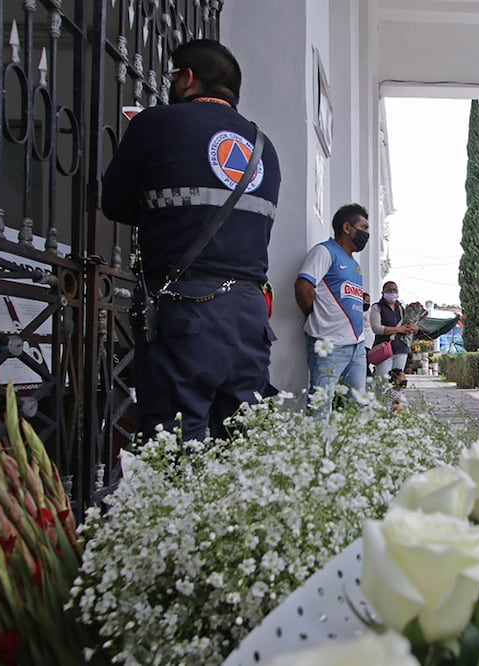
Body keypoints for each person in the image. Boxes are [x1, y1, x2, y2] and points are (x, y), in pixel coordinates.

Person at [101, 39, 281, 441]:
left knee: (177, 445)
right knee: (241, 443)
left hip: (186, 309)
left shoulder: (156, 124)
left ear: (186, 78)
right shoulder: (264, 148)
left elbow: (114, 203)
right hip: (249, 314)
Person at [295, 203, 370, 413]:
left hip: (356, 346)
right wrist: (317, 316)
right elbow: (303, 287)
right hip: (330, 345)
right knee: (320, 408)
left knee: (356, 410)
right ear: (347, 228)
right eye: (363, 227)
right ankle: (316, 447)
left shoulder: (354, 265)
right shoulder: (325, 251)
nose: (367, 233)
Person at [370, 281, 419, 378]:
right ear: (383, 292)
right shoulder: (377, 307)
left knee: (398, 381)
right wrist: (398, 329)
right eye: (389, 290)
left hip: (400, 349)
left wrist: (414, 328)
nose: (392, 292)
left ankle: (397, 393)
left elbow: (407, 326)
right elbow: (376, 328)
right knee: (384, 381)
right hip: (383, 349)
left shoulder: (401, 308)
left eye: (394, 290)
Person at [362, 292, 375, 376]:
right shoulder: (356, 311)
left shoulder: (370, 313)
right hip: (361, 342)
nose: (367, 304)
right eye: (365, 301)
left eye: (368, 302)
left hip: (369, 343)